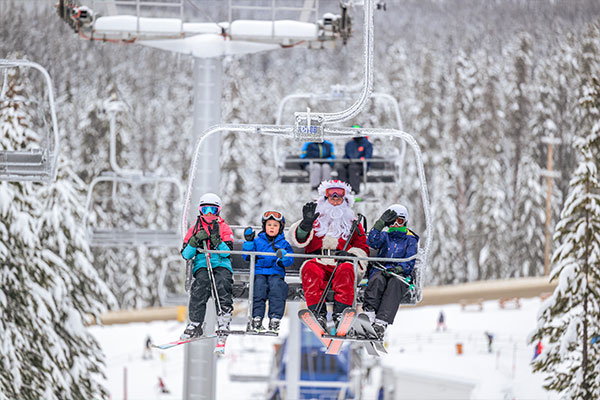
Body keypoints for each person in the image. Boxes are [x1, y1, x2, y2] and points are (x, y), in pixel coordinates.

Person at [289, 180, 369, 331]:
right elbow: (299, 239)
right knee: (310, 269)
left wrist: (351, 255)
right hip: (318, 260)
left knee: (346, 270)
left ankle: (342, 314)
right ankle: (317, 313)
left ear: (345, 200)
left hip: (342, 262)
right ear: (325, 198)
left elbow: (362, 246)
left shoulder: (353, 223)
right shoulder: (315, 218)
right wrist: (305, 225)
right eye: (331, 196)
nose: (335, 200)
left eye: (339, 196)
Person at [180, 193, 234, 340]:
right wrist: (195, 240)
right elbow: (186, 254)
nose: (209, 214)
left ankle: (224, 319)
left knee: (222, 283)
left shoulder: (224, 228)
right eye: (205, 210)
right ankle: (195, 323)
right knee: (200, 284)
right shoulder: (195, 229)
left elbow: (227, 253)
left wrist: (217, 241)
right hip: (203, 264)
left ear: (218, 211)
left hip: (221, 264)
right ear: (200, 211)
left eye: (213, 210)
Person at [363, 204, 419, 339]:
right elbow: (372, 242)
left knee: (395, 285)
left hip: (399, 274)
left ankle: (381, 323)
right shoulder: (384, 236)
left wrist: (400, 268)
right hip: (381, 269)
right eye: (392, 221)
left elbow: (410, 260)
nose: (395, 224)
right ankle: (369, 314)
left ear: (404, 221)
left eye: (399, 221)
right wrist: (380, 225)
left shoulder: (410, 239)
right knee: (376, 280)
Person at [242, 210, 294, 333]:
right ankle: (257, 317)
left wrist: (283, 256)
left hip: (275, 272)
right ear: (264, 226)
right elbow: (247, 256)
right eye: (269, 225)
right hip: (259, 272)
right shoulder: (257, 241)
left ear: (280, 228)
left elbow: (289, 260)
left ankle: (275, 319)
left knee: (277, 288)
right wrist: (249, 242)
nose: (272, 228)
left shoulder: (283, 243)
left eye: (275, 225)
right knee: (259, 287)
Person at [336, 127, 373, 194]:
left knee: (353, 168)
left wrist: (360, 160)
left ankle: (354, 190)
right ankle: (342, 190)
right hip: (349, 164)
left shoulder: (367, 144)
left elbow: (368, 156)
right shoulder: (349, 144)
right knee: (341, 169)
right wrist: (346, 160)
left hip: (361, 166)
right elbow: (346, 155)